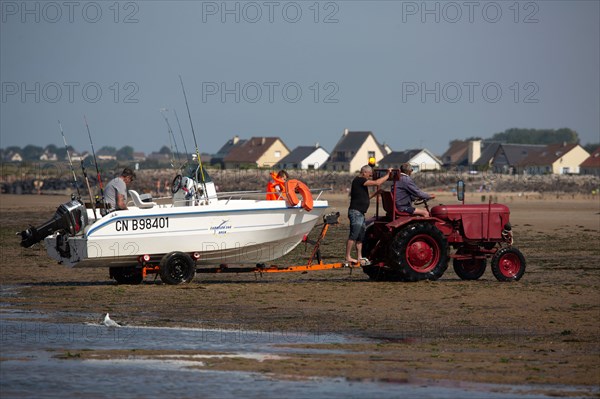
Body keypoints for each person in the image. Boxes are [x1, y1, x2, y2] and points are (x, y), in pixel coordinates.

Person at [346, 165, 392, 266]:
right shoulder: (359, 180)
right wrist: (388, 175)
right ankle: (348, 256)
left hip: (361, 213)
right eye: (369, 174)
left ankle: (359, 257)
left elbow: (366, 198)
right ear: (364, 173)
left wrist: (376, 193)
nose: (370, 176)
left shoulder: (362, 183)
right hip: (355, 212)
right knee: (353, 235)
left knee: (360, 237)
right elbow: (377, 183)